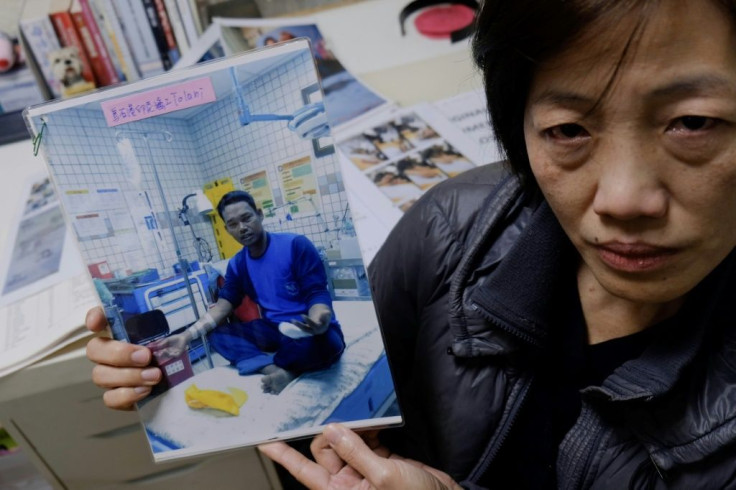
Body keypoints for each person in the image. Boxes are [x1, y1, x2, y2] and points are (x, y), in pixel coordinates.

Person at [85, 0, 736, 488]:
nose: (622, 198)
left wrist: (310, 323)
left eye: (694, 123)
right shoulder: (448, 227)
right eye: (567, 130)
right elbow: (343, 418)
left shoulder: (299, 249)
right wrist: (173, 352)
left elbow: (330, 318)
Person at [134, 190, 344, 396]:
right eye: (233, 224)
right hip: (273, 328)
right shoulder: (238, 264)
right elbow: (222, 308)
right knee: (219, 335)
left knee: (327, 343)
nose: (242, 228)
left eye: (247, 218)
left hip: (306, 327)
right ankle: (274, 370)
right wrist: (186, 336)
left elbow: (316, 292)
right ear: (227, 229)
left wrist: (319, 319)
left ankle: (289, 368)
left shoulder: (295, 245)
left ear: (259, 215)